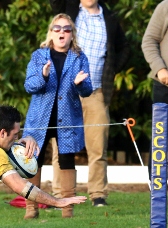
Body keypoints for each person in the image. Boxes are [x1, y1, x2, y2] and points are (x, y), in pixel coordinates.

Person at [49, 0, 130, 207]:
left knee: (98, 147)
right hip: (66, 92)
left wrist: (111, 69)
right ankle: (60, 195)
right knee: (62, 147)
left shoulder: (109, 17)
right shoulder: (68, 8)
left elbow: (124, 48)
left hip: (96, 92)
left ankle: (98, 195)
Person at [22, 13, 92, 219]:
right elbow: (29, 86)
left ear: (72, 34)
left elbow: (88, 90)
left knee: (67, 161)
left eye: (67, 29)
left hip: (68, 118)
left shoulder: (80, 57)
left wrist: (81, 84)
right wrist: (43, 76)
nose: (62, 32)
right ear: (51, 32)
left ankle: (67, 210)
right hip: (39, 118)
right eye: (57, 28)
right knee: (33, 161)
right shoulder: (39, 55)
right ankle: (31, 209)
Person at [142, 0, 168, 170]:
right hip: (167, 86)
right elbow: (149, 40)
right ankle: (157, 194)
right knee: (161, 140)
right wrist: (160, 69)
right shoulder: (167, 6)